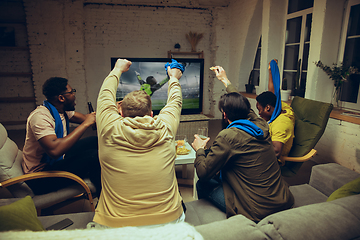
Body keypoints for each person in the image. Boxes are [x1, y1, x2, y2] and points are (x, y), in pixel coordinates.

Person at [192, 66, 294, 222]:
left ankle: (214, 223)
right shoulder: (261, 124)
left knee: (203, 184)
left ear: (224, 114)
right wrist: (224, 80)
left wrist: (199, 149)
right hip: (283, 199)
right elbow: (244, 106)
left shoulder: (227, 136)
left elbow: (203, 172)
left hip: (257, 210)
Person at [92, 58, 185, 228]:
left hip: (115, 228)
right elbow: (175, 101)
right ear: (151, 113)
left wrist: (117, 69)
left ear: (120, 112)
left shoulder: (108, 128)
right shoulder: (165, 127)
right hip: (169, 225)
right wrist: (173, 78)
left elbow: (105, 94)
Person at [22, 77, 101, 195]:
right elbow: (55, 150)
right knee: (93, 156)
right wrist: (85, 124)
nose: (74, 94)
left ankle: (100, 178)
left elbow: (89, 118)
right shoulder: (40, 117)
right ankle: (102, 197)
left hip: (56, 161)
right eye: (71, 92)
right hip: (39, 177)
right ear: (61, 98)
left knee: (95, 141)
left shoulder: (60, 111)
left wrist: (114, 107)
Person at [256, 59, 295, 161]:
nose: (259, 113)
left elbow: (276, 152)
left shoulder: (280, 124)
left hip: (273, 161)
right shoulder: (281, 107)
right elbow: (272, 93)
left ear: (268, 108)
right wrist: (270, 71)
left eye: (259, 110)